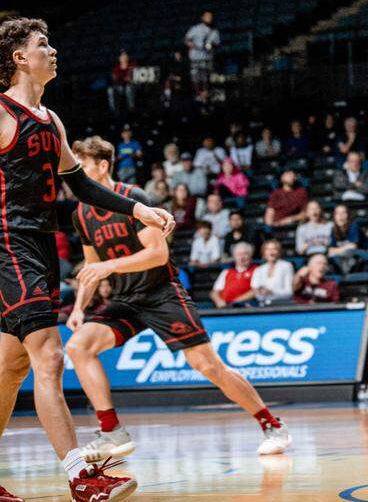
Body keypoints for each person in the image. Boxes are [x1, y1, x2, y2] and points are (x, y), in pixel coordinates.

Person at [0, 18, 174, 502]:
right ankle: (81, 477)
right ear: (19, 58)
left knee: (12, 367)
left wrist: (139, 207)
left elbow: (80, 186)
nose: (52, 51)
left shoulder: (50, 120)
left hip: (38, 246)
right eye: (42, 45)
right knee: (49, 357)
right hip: (8, 245)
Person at [63, 137, 290, 463]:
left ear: (101, 166)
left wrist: (108, 266)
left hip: (161, 292)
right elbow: (91, 268)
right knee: (78, 346)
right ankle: (111, 430)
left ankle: (272, 424)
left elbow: (158, 254)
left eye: (82, 166)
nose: (75, 176)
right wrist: (80, 308)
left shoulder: (133, 199)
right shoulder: (82, 214)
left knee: (208, 366)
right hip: (127, 298)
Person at [184, 10, 220, 98]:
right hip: (195, 59)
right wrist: (194, 45)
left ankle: (206, 97)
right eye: (207, 16)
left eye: (210, 17)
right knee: (195, 80)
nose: (209, 18)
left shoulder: (215, 32)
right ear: (202, 18)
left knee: (206, 80)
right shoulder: (195, 29)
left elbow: (217, 44)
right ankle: (197, 97)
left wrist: (211, 45)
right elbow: (186, 40)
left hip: (207, 59)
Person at [211, 242, 258, 308]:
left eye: (245, 254)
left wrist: (234, 303)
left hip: (244, 307)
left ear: (251, 255)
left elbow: (256, 291)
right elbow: (214, 292)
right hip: (223, 307)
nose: (241, 257)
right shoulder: (226, 272)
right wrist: (219, 301)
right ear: (234, 256)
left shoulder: (257, 270)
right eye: (238, 254)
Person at [251, 239, 294, 305]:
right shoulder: (258, 270)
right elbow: (256, 291)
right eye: (267, 249)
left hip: (282, 305)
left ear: (279, 252)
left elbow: (289, 292)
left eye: (274, 249)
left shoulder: (286, 266)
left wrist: (271, 292)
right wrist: (259, 292)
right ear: (264, 252)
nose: (271, 252)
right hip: (262, 306)